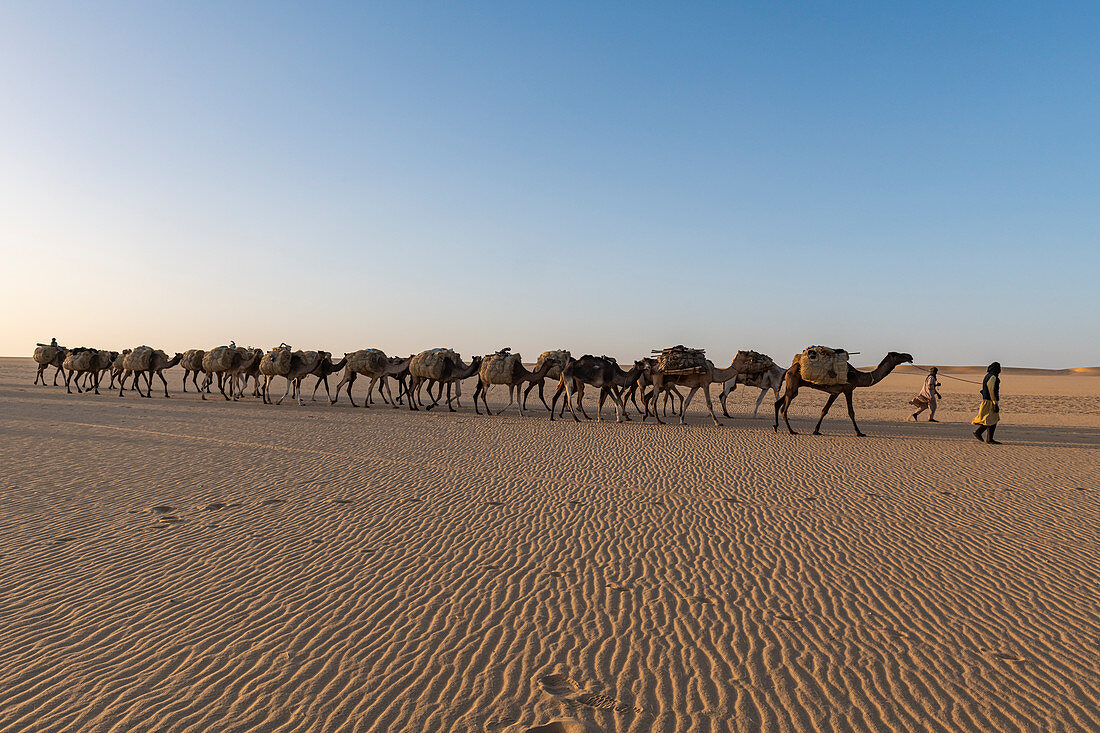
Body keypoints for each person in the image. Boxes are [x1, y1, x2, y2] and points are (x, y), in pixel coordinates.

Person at [972, 362, 1002, 444]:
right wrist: (994, 402)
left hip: (987, 400)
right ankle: (981, 433)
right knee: (991, 420)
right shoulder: (992, 377)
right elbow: (991, 389)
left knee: (991, 419)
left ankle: (988, 438)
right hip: (989, 401)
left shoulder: (988, 376)